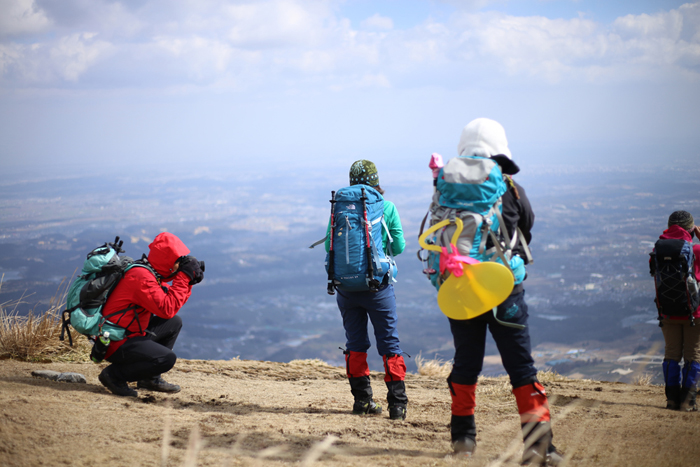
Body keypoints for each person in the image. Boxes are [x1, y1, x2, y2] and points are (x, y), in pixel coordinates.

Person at [445, 118, 562, 465]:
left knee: (466, 364)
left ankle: (463, 443)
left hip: (461, 290)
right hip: (503, 288)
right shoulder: (510, 188)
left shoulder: (448, 189)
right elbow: (527, 226)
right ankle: (540, 447)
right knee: (521, 367)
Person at [325, 160, 409, 420]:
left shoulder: (340, 207)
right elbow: (400, 246)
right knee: (389, 343)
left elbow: (330, 244)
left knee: (355, 344)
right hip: (378, 288)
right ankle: (397, 405)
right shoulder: (387, 207)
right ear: (375, 180)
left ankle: (362, 401)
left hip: (346, 288)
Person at [97, 232, 204, 397]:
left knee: (173, 322)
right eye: (178, 261)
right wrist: (184, 277)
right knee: (166, 358)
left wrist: (188, 282)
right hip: (115, 341)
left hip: (128, 334)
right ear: (167, 260)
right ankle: (114, 375)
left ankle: (149, 378)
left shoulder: (149, 273)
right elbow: (166, 308)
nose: (180, 265)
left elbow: (171, 303)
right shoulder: (141, 277)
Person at [653, 211, 700, 411]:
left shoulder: (658, 250)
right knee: (693, 354)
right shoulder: (696, 249)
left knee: (671, 353)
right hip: (694, 313)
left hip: (668, 311)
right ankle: (688, 401)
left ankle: (671, 399)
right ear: (691, 229)